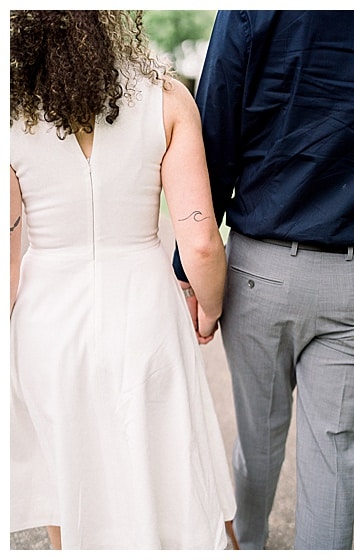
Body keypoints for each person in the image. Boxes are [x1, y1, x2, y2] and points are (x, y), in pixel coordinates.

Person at [9, 10, 236, 549]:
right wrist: (209, 307)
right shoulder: (167, 99)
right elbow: (200, 240)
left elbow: (6, 256)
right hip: (145, 312)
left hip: (47, 323)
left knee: (66, 478)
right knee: (164, 465)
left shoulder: (10, 110)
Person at [172, 10, 354, 549]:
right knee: (335, 462)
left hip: (260, 267)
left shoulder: (250, 11)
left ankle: (250, 545)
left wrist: (189, 273)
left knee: (257, 441)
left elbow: (214, 133)